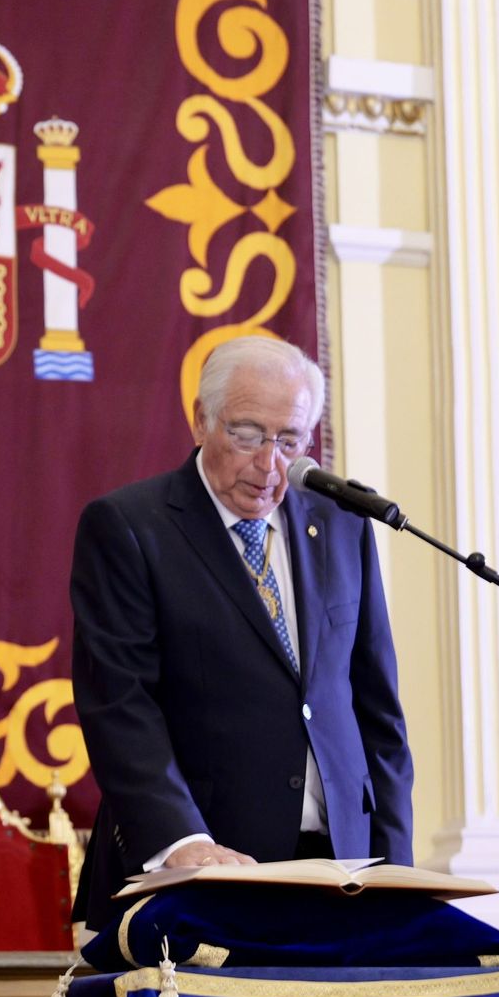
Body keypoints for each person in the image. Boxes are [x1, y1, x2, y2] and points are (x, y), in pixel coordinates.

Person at [69, 335, 414, 929]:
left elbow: (375, 709)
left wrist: (397, 870)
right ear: (201, 420)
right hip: (201, 872)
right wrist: (185, 845)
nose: (270, 464)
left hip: (344, 873)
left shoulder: (341, 522)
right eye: (249, 435)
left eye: (290, 441)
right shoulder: (129, 527)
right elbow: (121, 707)